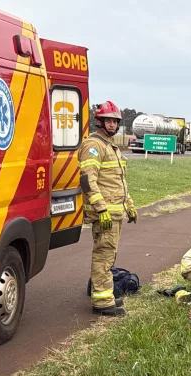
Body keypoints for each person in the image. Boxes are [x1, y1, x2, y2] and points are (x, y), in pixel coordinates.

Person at [79, 101, 137, 316]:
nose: (112, 124)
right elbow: (87, 180)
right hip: (105, 214)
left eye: (115, 121)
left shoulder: (111, 146)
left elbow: (118, 182)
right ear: (99, 121)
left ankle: (106, 295)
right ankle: (102, 303)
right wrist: (101, 209)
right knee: (103, 255)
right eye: (108, 120)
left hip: (115, 212)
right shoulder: (93, 146)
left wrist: (129, 205)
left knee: (109, 255)